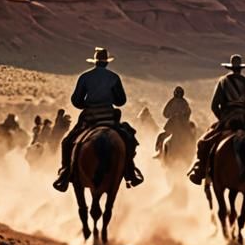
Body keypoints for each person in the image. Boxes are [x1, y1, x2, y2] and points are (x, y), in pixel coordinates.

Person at [53, 47, 144, 191]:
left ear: (95, 62)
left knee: (67, 141)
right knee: (128, 139)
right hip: (109, 116)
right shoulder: (114, 77)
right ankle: (130, 172)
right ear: (107, 63)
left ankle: (65, 173)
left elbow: (76, 101)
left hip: (90, 117)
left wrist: (87, 104)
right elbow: (121, 101)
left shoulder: (85, 77)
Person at [188, 55, 245, 187]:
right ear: (240, 69)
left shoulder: (223, 81)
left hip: (226, 118)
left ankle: (200, 169)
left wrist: (221, 118)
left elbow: (214, 105)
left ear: (230, 68)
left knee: (204, 141)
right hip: (243, 118)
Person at [155, 86, 194, 156]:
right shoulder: (175, 102)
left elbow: (188, 112)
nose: (179, 94)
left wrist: (181, 115)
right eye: (178, 93)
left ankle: (193, 151)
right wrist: (174, 115)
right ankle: (159, 152)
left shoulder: (182, 102)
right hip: (175, 126)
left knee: (192, 137)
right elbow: (165, 113)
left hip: (180, 126)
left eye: (179, 93)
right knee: (161, 137)